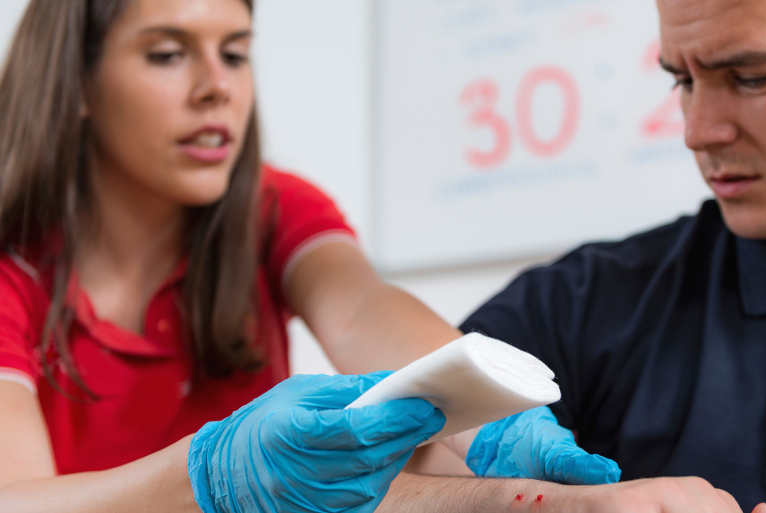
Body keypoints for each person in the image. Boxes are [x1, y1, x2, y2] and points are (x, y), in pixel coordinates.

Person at [0, 0, 619, 511]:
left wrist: (491, 417)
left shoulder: (273, 208)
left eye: (236, 53)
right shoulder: (12, 270)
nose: (218, 87)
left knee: (419, 444)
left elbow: (358, 308)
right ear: (74, 83)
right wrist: (210, 478)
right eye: (167, 54)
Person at [452, 0, 766, 511]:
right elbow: (397, 466)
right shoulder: (590, 298)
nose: (697, 132)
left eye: (751, 78)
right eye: (683, 81)